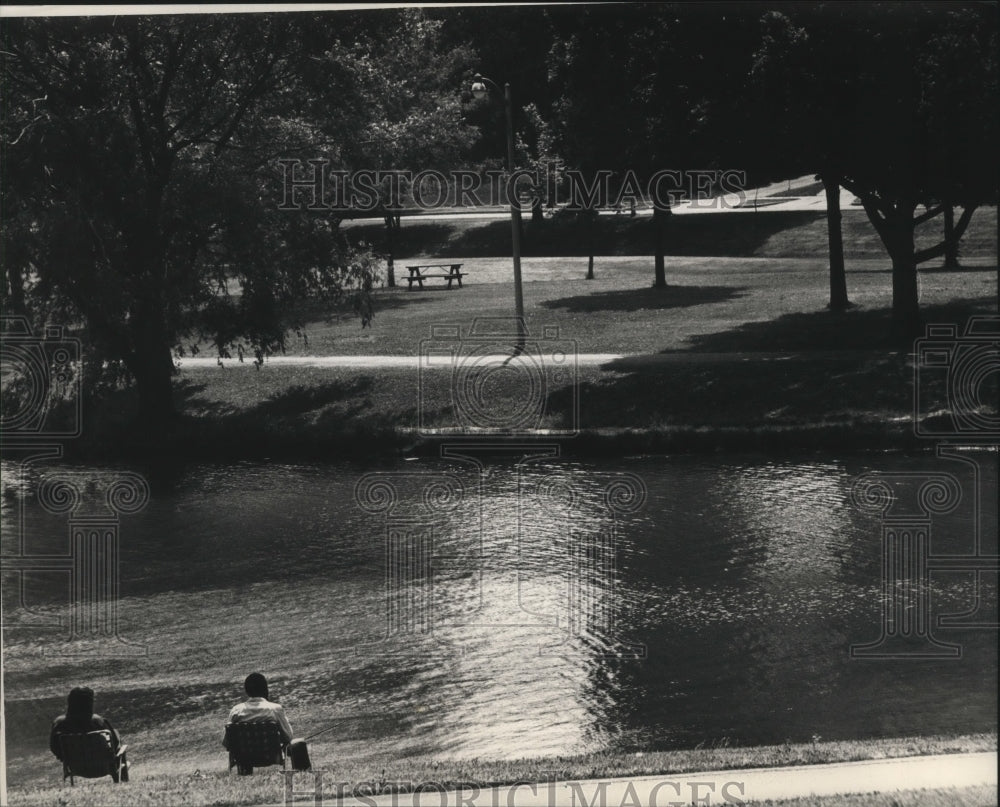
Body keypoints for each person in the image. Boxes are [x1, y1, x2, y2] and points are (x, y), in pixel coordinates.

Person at [224, 673, 310, 771]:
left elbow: (227, 743)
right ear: (265, 689)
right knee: (298, 744)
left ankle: (245, 773)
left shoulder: (236, 710)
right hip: (271, 756)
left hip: (244, 757)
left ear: (247, 691)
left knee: (243, 747)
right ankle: (304, 773)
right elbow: (288, 737)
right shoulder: (275, 708)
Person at [49, 686, 126, 771]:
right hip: (101, 765)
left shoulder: (59, 723)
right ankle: (118, 772)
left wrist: (64, 758)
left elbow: (54, 747)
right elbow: (114, 744)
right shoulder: (98, 721)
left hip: (75, 767)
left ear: (70, 702)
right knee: (115, 734)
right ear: (90, 703)